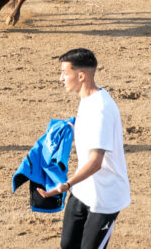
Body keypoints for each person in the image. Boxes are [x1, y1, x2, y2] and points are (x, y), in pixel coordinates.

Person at [38, 48, 130, 249]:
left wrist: (66, 185)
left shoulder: (101, 110)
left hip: (105, 197)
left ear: (81, 76)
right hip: (84, 190)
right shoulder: (88, 99)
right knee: (68, 245)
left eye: (65, 73)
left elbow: (96, 162)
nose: (60, 78)